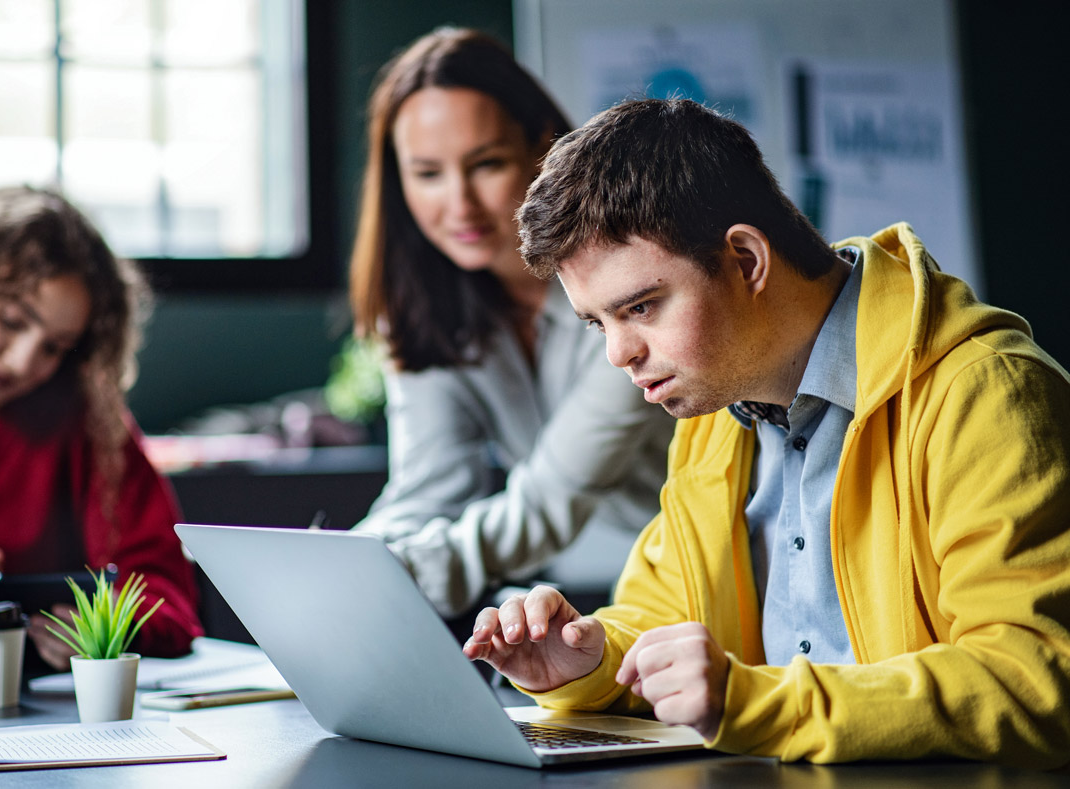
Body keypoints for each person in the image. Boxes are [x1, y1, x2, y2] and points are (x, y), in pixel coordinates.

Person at [463, 98, 1070, 767]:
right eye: (597, 322)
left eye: (641, 306)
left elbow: (1037, 679)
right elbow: (660, 612)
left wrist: (754, 701)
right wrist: (588, 659)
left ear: (748, 260)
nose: (619, 353)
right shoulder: (716, 415)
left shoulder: (985, 392)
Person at [347, 28, 675, 619]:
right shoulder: (425, 308)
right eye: (427, 174)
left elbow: (552, 498)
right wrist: (349, 566)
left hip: (708, 578)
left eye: (487, 164)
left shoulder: (627, 285)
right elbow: (426, 491)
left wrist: (392, 579)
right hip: (609, 597)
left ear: (545, 148)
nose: (459, 204)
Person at [0, 185, 203, 672]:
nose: (24, 361)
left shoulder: (83, 420)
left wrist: (98, 627)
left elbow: (167, 593)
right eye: (10, 321)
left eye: (54, 347)